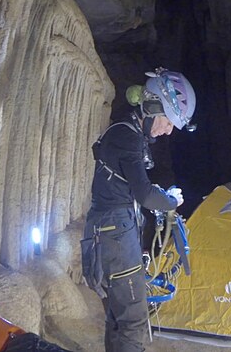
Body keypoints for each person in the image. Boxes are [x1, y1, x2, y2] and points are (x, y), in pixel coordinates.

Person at [81, 67, 196, 352]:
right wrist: (171, 201)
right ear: (153, 106)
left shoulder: (131, 134)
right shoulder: (126, 136)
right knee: (133, 317)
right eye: (168, 121)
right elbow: (144, 193)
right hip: (114, 233)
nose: (169, 130)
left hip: (114, 229)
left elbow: (136, 187)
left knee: (118, 315)